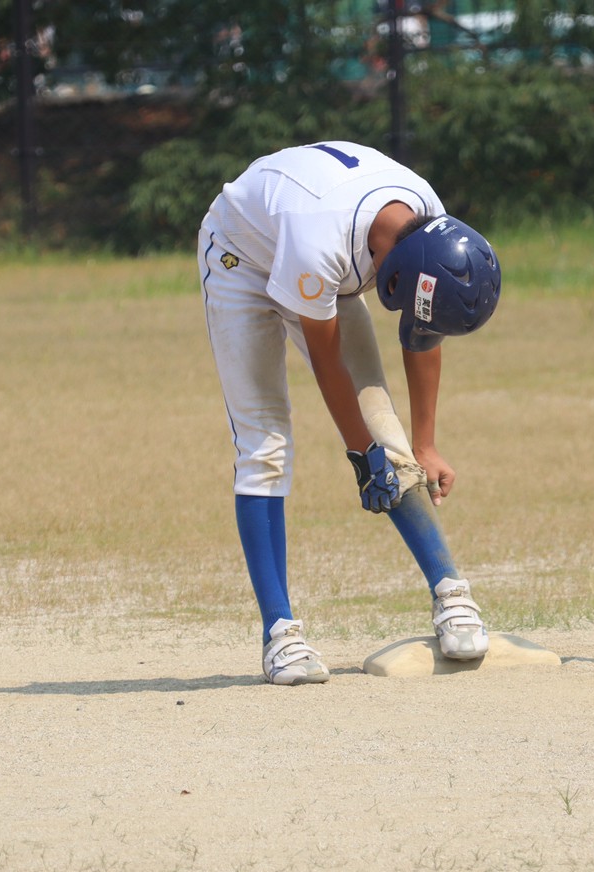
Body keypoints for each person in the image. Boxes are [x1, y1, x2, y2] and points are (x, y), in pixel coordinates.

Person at [198, 141, 501, 685]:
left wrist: (424, 444)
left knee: (389, 432)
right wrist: (361, 453)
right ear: (389, 273)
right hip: (241, 258)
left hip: (316, 252)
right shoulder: (319, 245)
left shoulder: (428, 225)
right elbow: (326, 360)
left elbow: (422, 335)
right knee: (264, 443)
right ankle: (280, 635)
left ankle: (451, 592)